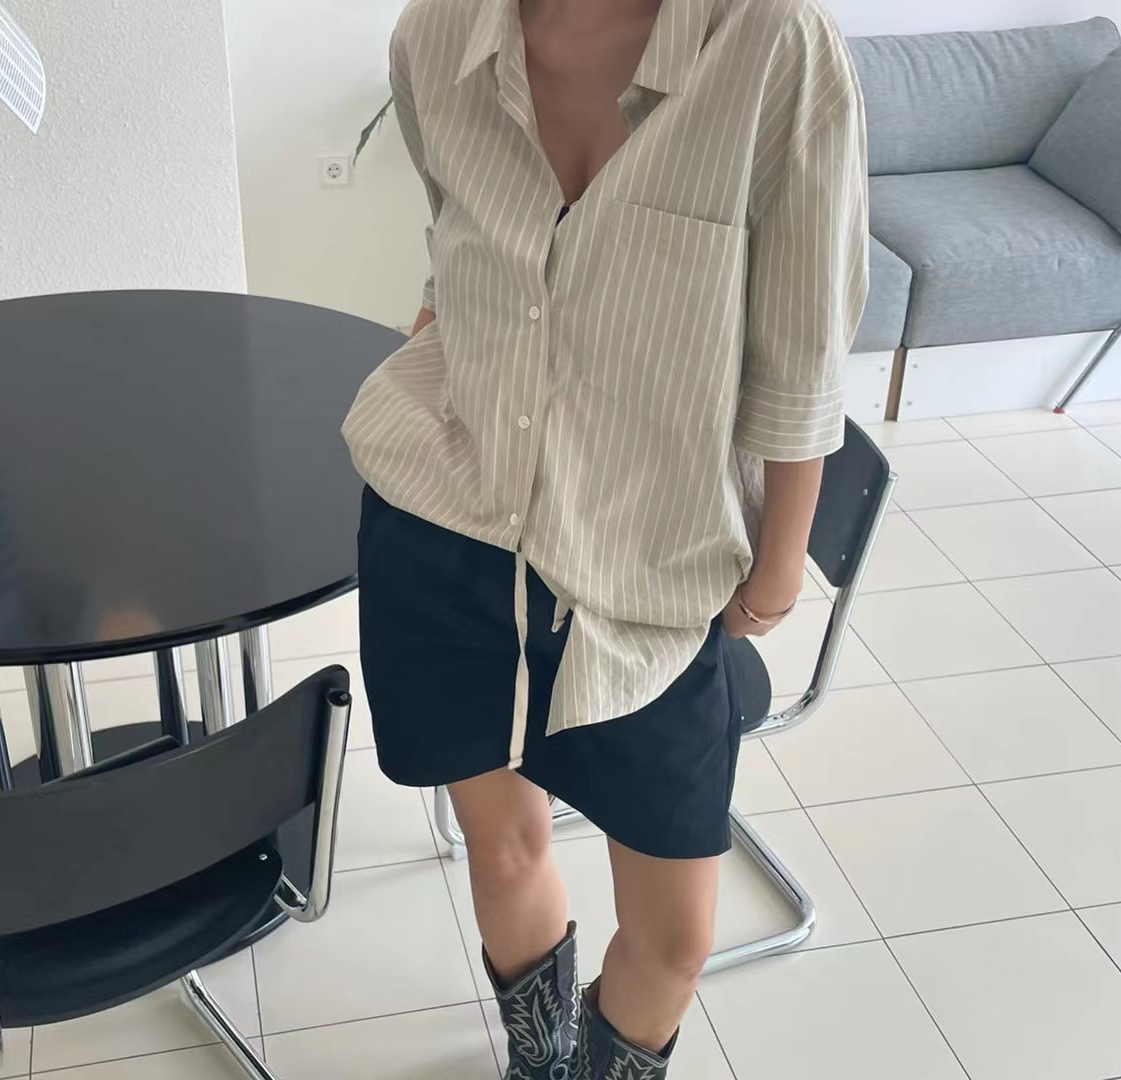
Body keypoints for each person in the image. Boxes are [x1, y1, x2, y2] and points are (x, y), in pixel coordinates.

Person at [342, 0, 867, 1074]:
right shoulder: (434, 38)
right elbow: (454, 254)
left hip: (650, 565)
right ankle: (538, 1062)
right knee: (501, 846)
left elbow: (803, 347)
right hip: (444, 526)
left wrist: (776, 567)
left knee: (674, 939)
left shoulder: (772, 44)